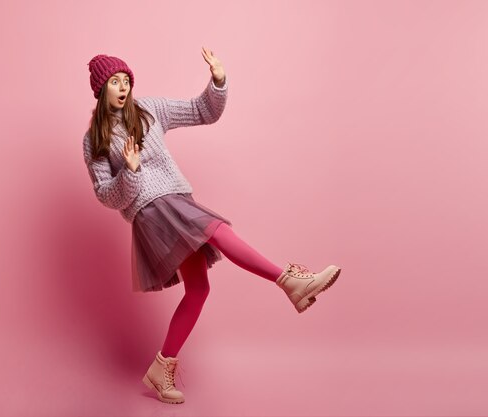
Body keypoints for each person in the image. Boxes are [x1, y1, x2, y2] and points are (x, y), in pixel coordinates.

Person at [82, 49, 342, 405]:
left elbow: (202, 110)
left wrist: (217, 80)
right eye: (115, 82)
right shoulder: (93, 141)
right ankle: (290, 280)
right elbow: (107, 197)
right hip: (151, 211)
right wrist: (129, 169)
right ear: (101, 89)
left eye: (127, 80)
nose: (123, 87)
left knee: (199, 289)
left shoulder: (149, 110)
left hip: (177, 198)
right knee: (217, 229)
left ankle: (161, 367)